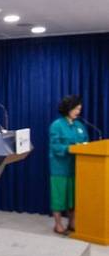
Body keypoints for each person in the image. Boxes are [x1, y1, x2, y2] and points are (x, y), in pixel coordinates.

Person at [49, 95, 88, 235]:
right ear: (68, 108)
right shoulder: (57, 125)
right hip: (60, 167)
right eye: (76, 109)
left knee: (73, 197)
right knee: (59, 197)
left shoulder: (80, 125)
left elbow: (86, 144)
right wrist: (71, 148)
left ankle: (72, 223)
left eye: (80, 109)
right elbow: (55, 147)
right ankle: (58, 224)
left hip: (77, 167)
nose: (78, 111)